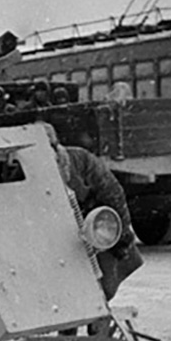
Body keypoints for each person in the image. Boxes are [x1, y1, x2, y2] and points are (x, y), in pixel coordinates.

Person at [48, 127, 143, 301]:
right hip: (62, 240)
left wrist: (119, 239)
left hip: (96, 229)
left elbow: (112, 195)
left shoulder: (80, 160)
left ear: (55, 148)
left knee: (102, 288)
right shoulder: (25, 173)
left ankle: (97, 320)